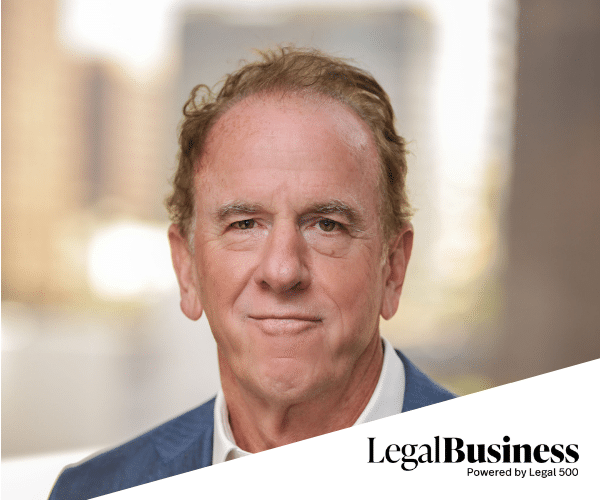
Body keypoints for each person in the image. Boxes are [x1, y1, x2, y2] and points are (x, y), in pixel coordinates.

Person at [49, 46, 455, 500]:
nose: (282, 271)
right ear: (187, 270)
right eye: (244, 224)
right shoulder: (92, 491)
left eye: (327, 225)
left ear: (393, 269)